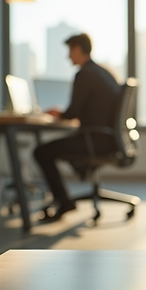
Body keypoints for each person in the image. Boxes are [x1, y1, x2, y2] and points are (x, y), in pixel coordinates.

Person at [34, 33, 120, 220]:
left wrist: (58, 113)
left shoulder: (85, 74)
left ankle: (64, 201)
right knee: (51, 149)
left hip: (94, 141)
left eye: (70, 51)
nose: (68, 56)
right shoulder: (104, 73)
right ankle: (69, 190)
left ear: (78, 49)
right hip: (108, 139)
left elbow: (72, 112)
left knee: (41, 152)